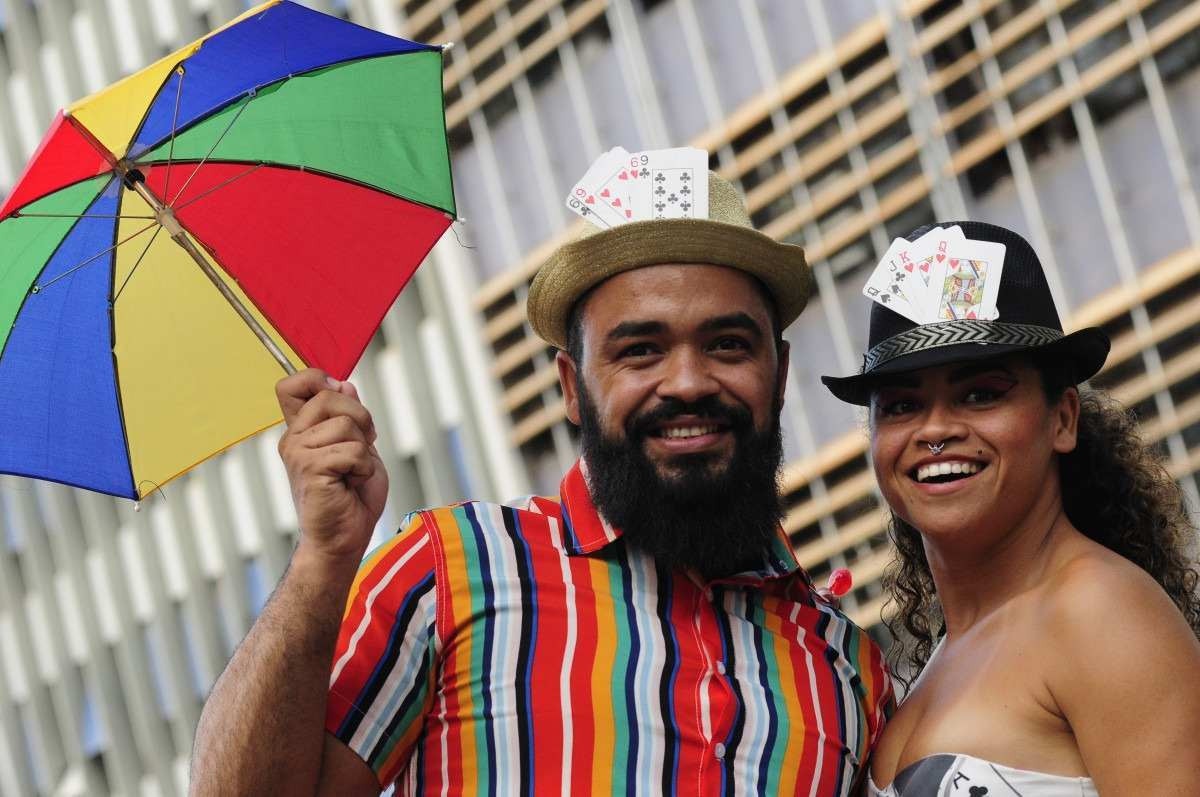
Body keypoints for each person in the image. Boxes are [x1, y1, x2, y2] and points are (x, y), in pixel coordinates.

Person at [190, 167, 893, 796]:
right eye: (640, 349)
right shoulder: (448, 570)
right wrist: (322, 561)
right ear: (572, 386)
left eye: (728, 345)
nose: (687, 381)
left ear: (780, 374)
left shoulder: (846, 666)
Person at [821, 221, 1200, 796]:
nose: (937, 429)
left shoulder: (1099, 612)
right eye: (900, 405)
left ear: (1063, 419)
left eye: (981, 394)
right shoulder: (932, 666)